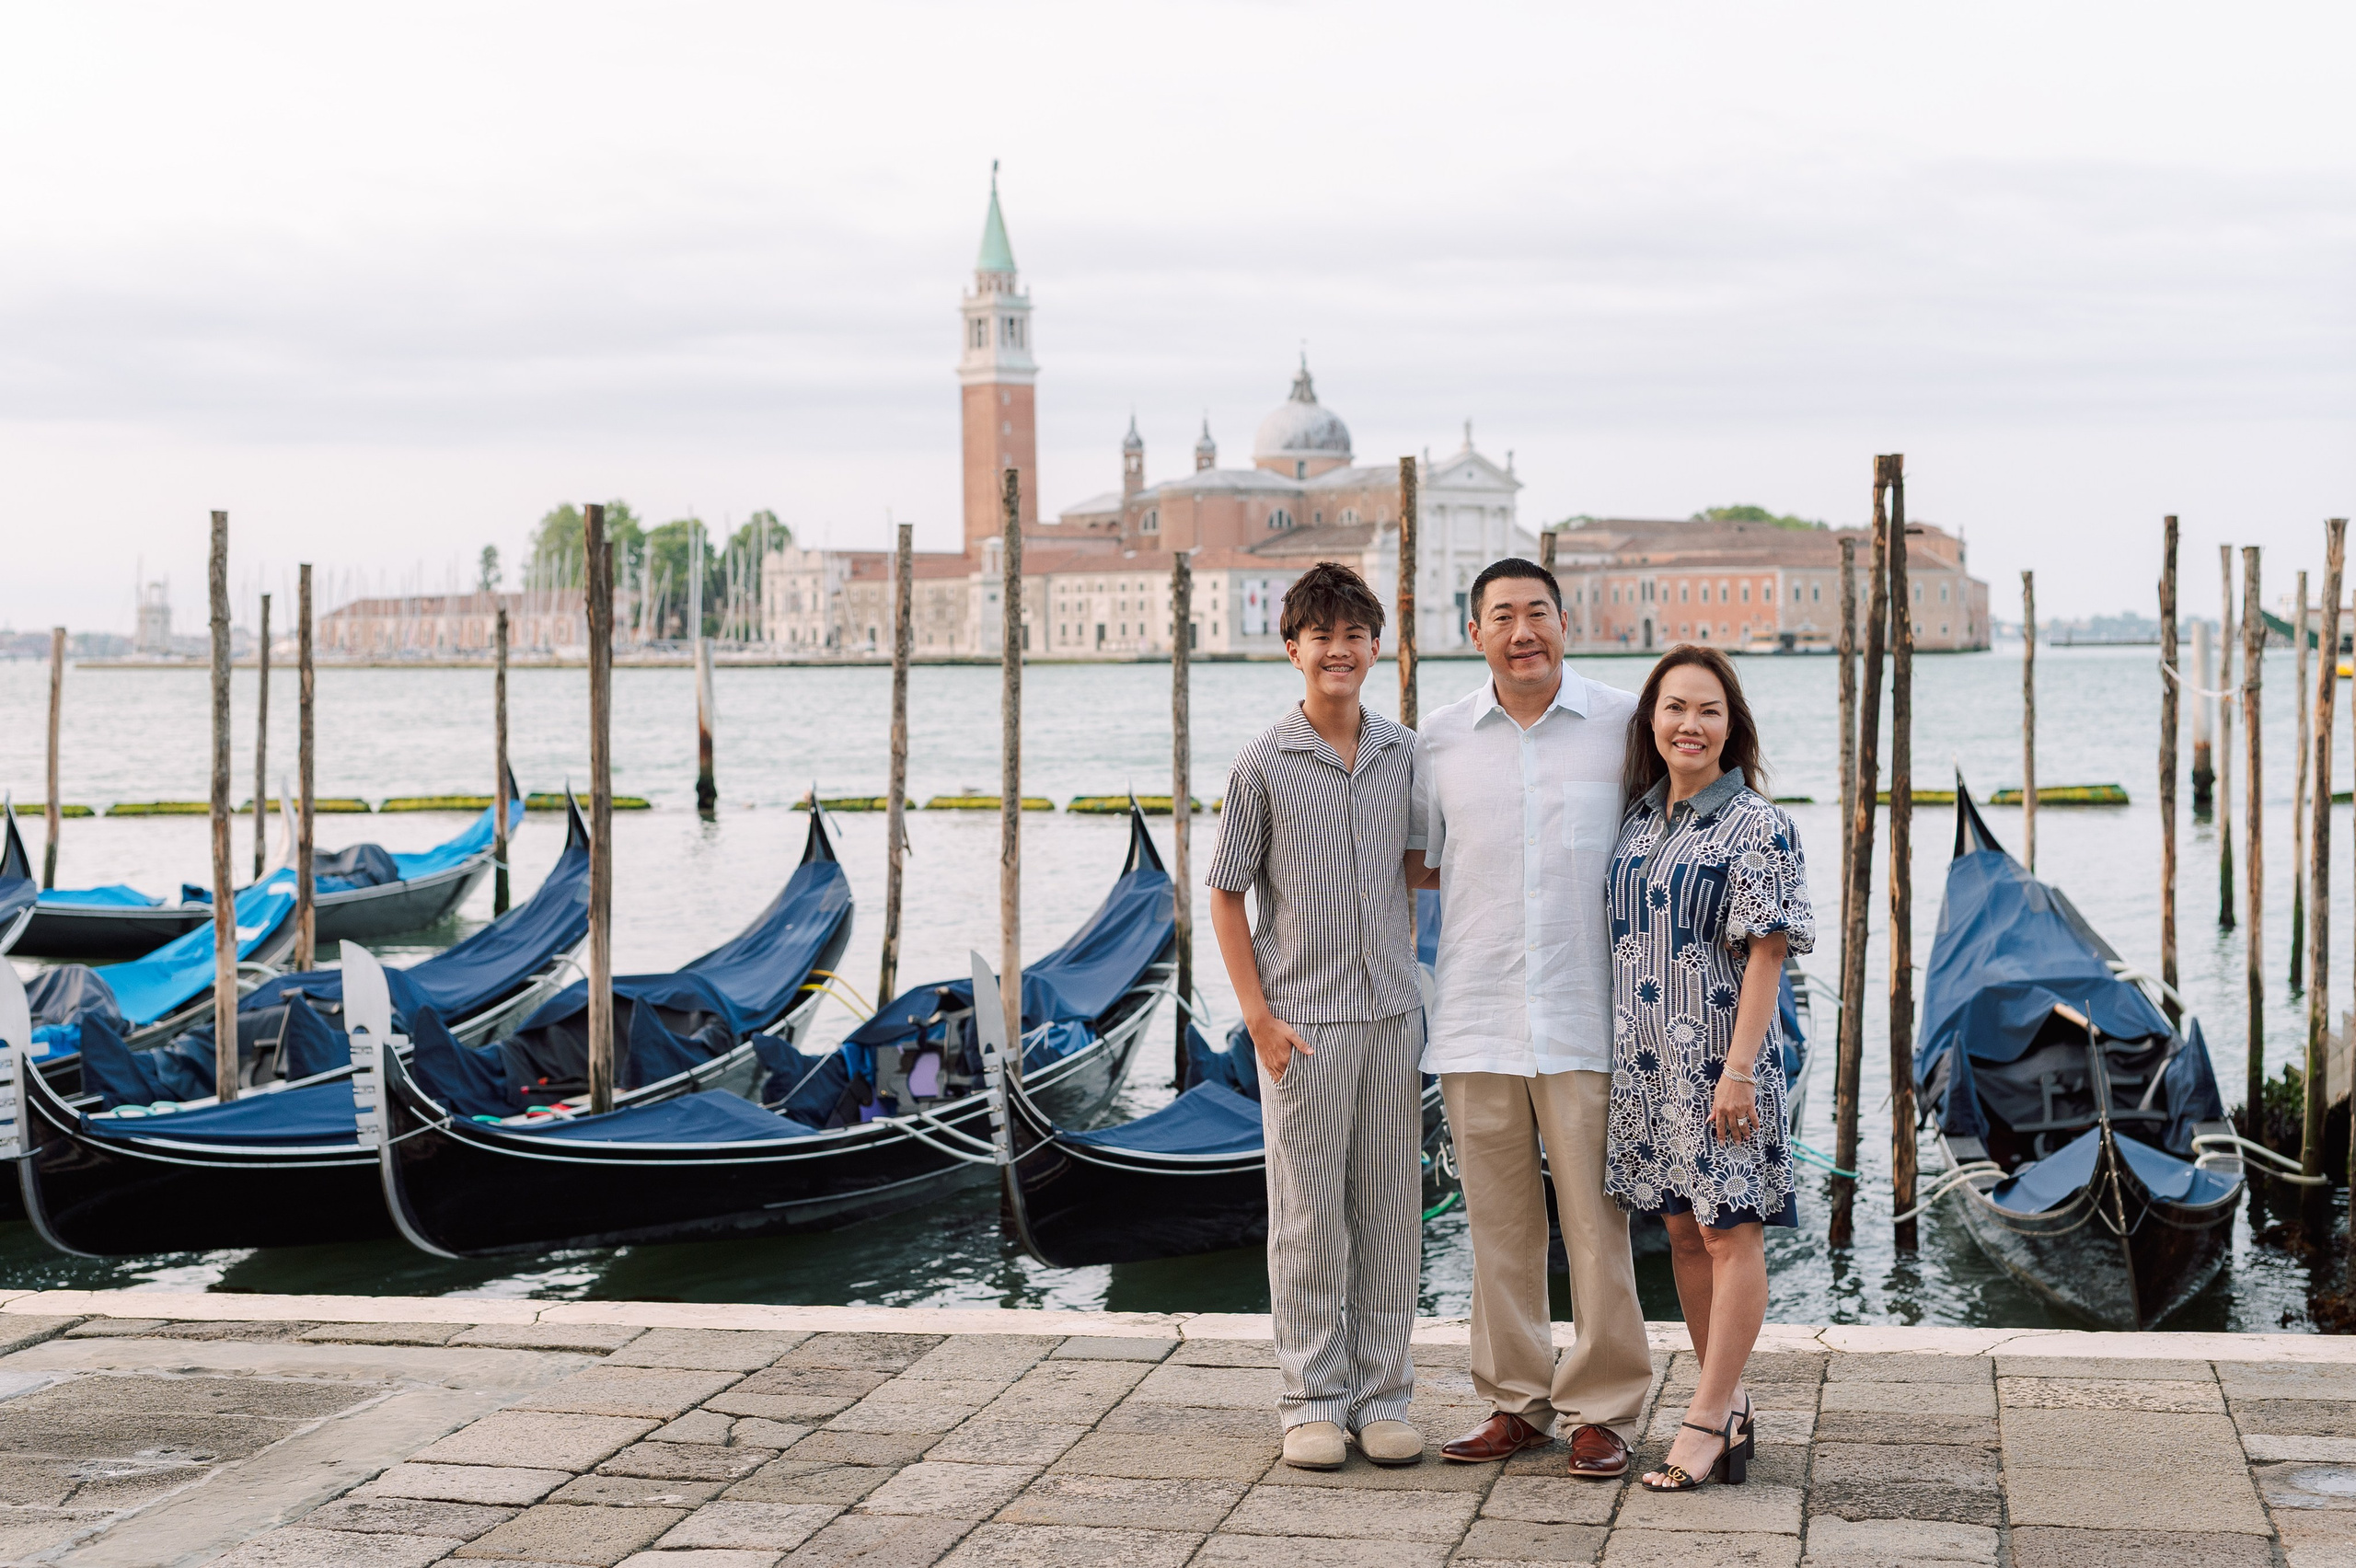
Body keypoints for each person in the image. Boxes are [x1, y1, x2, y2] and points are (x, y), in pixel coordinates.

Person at [1409, 558, 1653, 1481]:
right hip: (1474, 1012)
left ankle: (1601, 1407)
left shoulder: (1625, 725)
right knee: (1498, 1227)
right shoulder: (1438, 743)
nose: (1522, 631)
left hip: (1589, 1015)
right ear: (1473, 633)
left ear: (1565, 621)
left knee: (1596, 1222)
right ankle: (1515, 1402)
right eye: (1501, 616)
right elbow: (1419, 861)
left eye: (1537, 613)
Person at [1206, 559, 1426, 1471]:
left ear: (1378, 647)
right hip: (1302, 1026)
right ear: (1293, 648)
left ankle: (1383, 1395)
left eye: (1354, 635)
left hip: (1391, 1019)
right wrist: (1258, 1020)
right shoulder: (1262, 764)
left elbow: (1425, 869)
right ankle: (1310, 1398)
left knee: (1389, 1212)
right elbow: (1224, 895)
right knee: (1306, 1220)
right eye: (1321, 636)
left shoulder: (1404, 755)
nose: (1338, 650)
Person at [1605, 644, 1812, 1493]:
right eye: (1675, 708)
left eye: (1708, 710)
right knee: (1683, 1232)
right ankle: (1724, 1407)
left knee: (1730, 1231)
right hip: (1645, 1065)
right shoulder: (1637, 819)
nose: (1690, 724)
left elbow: (1768, 956)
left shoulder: (1758, 824)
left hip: (1722, 1064)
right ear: (1651, 721)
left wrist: (1738, 1069)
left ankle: (1703, 1419)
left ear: (1732, 726)